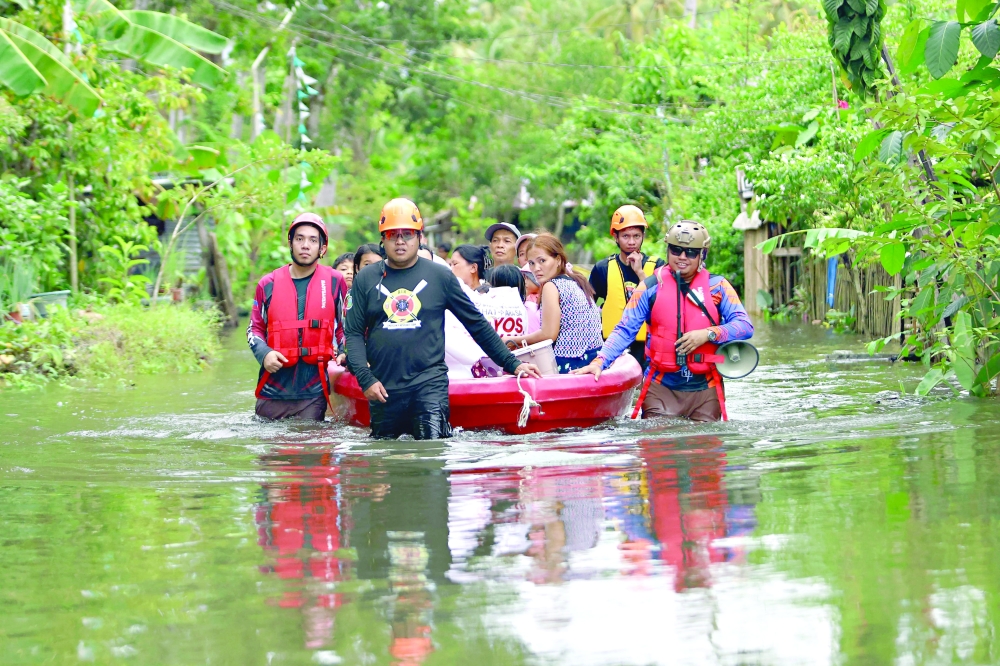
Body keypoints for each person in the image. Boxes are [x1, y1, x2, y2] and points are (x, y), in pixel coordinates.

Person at [344, 198, 541, 439]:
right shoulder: (366, 279)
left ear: (419, 237)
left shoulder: (440, 276)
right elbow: (353, 334)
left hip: (429, 387)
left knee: (432, 456)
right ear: (382, 240)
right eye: (392, 234)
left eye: (407, 234)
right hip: (384, 388)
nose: (400, 241)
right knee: (387, 462)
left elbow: (476, 324)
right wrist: (365, 379)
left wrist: (513, 364)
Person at [573, 220, 754, 422]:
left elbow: (745, 326)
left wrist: (709, 334)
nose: (682, 257)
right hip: (660, 388)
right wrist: (599, 362)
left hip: (706, 389)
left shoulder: (718, 287)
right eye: (676, 250)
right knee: (657, 447)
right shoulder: (648, 287)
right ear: (668, 250)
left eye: (691, 252)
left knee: (704, 449)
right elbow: (625, 330)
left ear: (702, 255)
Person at [248, 213, 348, 421]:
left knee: (310, 449)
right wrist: (265, 354)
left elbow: (344, 326)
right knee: (273, 453)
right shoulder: (267, 284)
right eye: (300, 239)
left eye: (313, 240)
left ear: (322, 248)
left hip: (313, 394)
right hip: (272, 392)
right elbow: (254, 329)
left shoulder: (334, 281)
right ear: (290, 244)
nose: (305, 245)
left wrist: (344, 351)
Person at [502, 234, 603, 373]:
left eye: (542, 261)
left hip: (571, 362)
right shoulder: (576, 280)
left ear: (558, 260)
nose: (536, 268)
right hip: (593, 358)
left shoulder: (552, 286)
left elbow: (548, 334)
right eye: (531, 263)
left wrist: (512, 340)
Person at [588, 205, 665, 370]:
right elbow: (587, 307)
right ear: (615, 237)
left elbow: (663, 304)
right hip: (613, 345)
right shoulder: (603, 269)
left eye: (637, 236)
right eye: (626, 236)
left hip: (648, 346)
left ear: (643, 236)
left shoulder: (658, 266)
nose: (631, 242)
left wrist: (640, 273)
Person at [444, 264, 532, 378]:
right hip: (516, 365)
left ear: (493, 282)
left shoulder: (481, 304)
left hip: (486, 366)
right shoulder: (522, 308)